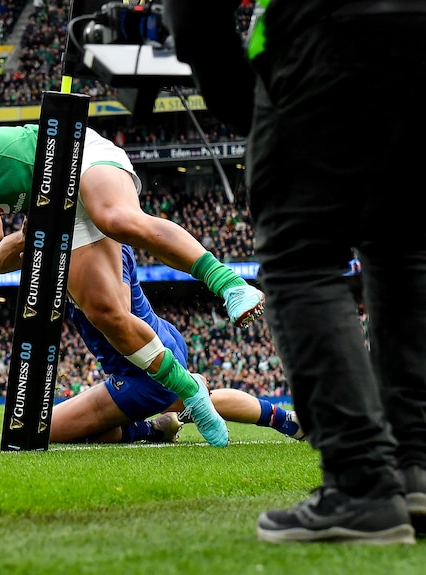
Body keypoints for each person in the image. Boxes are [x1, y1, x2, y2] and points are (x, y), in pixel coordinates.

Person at [165, 0, 426, 543]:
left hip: (324, 39)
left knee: (301, 258)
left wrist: (249, 99)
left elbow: (196, 18)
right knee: (404, 246)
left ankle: (362, 485)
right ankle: (415, 470)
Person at [0, 114, 265, 448]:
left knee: (115, 217)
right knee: (105, 312)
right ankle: (190, 393)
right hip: (56, 210)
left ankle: (229, 283)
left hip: (74, 155)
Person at [0, 226, 304, 445]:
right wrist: (31, 231)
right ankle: (288, 420)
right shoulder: (73, 240)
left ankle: (151, 427)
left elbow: (119, 313)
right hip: (162, 343)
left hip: (142, 368)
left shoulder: (100, 245)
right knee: (201, 397)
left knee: (39, 427)